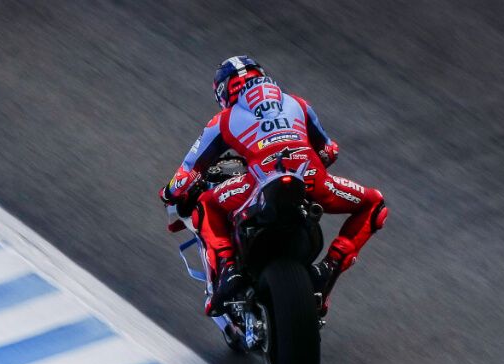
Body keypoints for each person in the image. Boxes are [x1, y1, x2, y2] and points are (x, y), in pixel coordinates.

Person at [160, 55, 388, 317]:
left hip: (258, 180)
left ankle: (229, 269)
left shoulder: (223, 119)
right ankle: (329, 268)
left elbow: (186, 174)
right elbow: (329, 150)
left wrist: (169, 193)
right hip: (311, 176)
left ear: (224, 92)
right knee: (374, 203)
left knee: (206, 205)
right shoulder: (297, 103)